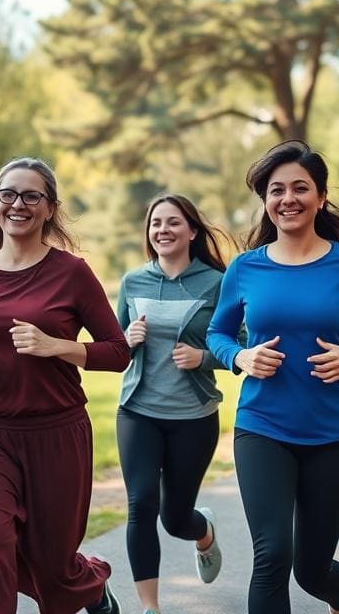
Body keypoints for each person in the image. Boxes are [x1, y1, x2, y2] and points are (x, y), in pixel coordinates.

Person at [206, 141, 339, 614]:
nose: (288, 199)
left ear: (321, 197)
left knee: (312, 569)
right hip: (262, 426)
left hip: (335, 432)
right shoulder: (245, 267)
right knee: (272, 555)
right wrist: (240, 358)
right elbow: (216, 333)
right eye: (276, 190)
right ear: (265, 200)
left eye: (301, 188)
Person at [0, 157, 130, 614]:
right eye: (8, 194)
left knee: (52, 566)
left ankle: (90, 586)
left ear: (49, 208)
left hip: (57, 436)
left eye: (30, 196)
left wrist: (58, 346)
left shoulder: (72, 273)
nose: (17, 204)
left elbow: (118, 351)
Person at [116, 194, 237, 613]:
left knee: (175, 518)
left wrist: (202, 358)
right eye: (155, 223)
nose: (162, 230)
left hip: (194, 416)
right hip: (138, 411)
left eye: (172, 222)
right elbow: (113, 348)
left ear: (192, 231)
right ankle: (151, 607)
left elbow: (240, 348)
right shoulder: (134, 281)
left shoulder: (217, 283)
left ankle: (202, 531)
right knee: (141, 502)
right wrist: (126, 341)